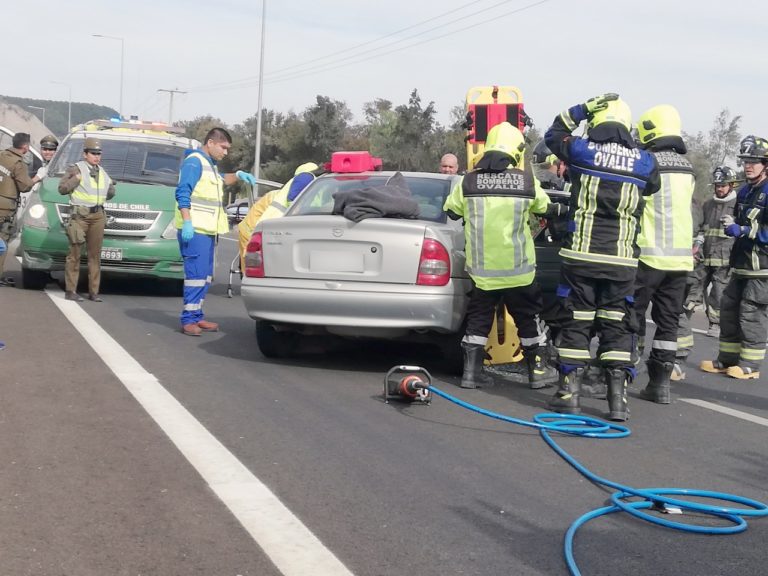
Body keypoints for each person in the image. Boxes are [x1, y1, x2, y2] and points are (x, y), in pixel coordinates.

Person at [544, 94, 660, 421]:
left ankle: (568, 393)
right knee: (617, 325)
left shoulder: (582, 151)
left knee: (577, 322)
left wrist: (581, 109)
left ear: (596, 122)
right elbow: (652, 187)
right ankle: (618, 400)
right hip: (622, 261)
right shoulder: (645, 161)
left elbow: (552, 135)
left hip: (581, 256)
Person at [443, 121, 562, 389]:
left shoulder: (467, 181)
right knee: (528, 322)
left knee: (478, 322)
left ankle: (470, 375)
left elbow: (452, 211)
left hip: (482, 273)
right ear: (516, 150)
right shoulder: (526, 181)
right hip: (519, 271)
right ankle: (538, 374)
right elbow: (546, 208)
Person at [631, 105, 696, 404]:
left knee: (632, 317)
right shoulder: (689, 168)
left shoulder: (646, 162)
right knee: (668, 323)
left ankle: (622, 376)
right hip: (680, 261)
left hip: (648, 255)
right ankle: (659, 386)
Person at [175, 127, 258, 336]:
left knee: (205, 276)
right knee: (195, 275)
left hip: (208, 230)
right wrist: (186, 222)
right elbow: (183, 192)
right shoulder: (195, 162)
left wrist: (238, 175)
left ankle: (197, 316)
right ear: (210, 143)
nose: (225, 152)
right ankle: (188, 320)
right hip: (195, 230)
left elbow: (221, 179)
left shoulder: (208, 165)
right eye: (223, 147)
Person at [700, 135, 768, 379]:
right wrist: (735, 225)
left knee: (752, 313)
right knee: (728, 309)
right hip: (740, 265)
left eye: (754, 160)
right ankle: (727, 359)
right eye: (745, 160)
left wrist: (745, 230)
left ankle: (750, 366)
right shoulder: (746, 191)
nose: (748, 165)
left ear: (766, 164)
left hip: (762, 267)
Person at [58, 137, 116, 302]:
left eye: (98, 154)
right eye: (93, 153)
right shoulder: (76, 169)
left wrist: (110, 186)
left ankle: (94, 292)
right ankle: (71, 290)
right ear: (85, 154)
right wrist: (75, 179)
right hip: (80, 216)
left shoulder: (103, 172)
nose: (96, 157)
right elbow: (62, 189)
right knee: (75, 253)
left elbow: (110, 193)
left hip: (98, 216)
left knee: (94, 255)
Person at [686, 166, 739, 338]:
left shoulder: (737, 205)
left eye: (723, 185)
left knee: (718, 294)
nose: (719, 189)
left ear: (731, 185)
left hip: (724, 260)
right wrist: (697, 245)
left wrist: (735, 222)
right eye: (717, 185)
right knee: (693, 286)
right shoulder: (708, 204)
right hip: (704, 257)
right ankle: (683, 319)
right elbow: (702, 228)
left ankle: (715, 324)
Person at [237, 162, 319, 272]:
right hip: (254, 230)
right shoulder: (306, 178)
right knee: (253, 269)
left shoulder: (283, 192)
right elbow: (292, 201)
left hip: (268, 230)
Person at [0, 133, 46, 286]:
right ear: (25, 147)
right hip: (5, 208)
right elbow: (25, 186)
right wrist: (38, 177)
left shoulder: (2, 155)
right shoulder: (18, 163)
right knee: (3, 241)